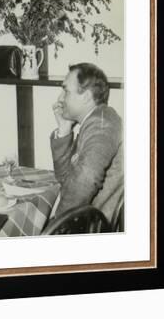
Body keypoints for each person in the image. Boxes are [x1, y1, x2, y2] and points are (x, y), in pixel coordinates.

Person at [50, 63, 123, 223]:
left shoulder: (102, 125)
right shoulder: (96, 120)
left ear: (86, 97)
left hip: (93, 227)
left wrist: (58, 224)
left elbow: (86, 179)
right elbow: (65, 178)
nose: (60, 99)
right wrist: (64, 129)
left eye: (66, 91)